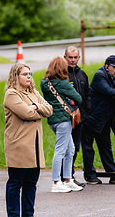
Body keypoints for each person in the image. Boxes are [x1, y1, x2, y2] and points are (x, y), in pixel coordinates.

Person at [3, 63, 53, 216]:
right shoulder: (11, 94)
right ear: (15, 76)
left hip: (34, 147)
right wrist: (37, 109)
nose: (29, 77)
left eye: (30, 74)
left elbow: (49, 110)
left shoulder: (33, 92)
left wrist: (35, 106)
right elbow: (26, 113)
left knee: (31, 184)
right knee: (15, 183)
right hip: (19, 146)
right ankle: (13, 215)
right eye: (25, 74)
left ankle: (28, 214)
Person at [83, 55, 115, 184]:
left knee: (105, 145)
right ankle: (90, 175)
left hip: (106, 120)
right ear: (107, 67)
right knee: (88, 148)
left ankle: (113, 174)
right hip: (92, 118)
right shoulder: (99, 75)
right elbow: (107, 91)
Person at [40, 57, 83, 193]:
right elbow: (79, 98)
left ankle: (68, 179)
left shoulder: (44, 83)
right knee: (60, 151)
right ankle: (56, 182)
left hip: (52, 120)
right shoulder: (63, 83)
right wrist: (71, 103)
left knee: (70, 149)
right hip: (64, 120)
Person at [62, 46, 91, 187]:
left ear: (79, 58)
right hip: (66, 119)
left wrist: (87, 112)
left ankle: (70, 177)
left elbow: (88, 95)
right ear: (65, 57)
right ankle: (64, 178)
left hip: (81, 119)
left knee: (75, 148)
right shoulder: (61, 75)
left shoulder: (82, 74)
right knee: (66, 149)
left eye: (75, 57)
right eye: (70, 57)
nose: (73, 60)